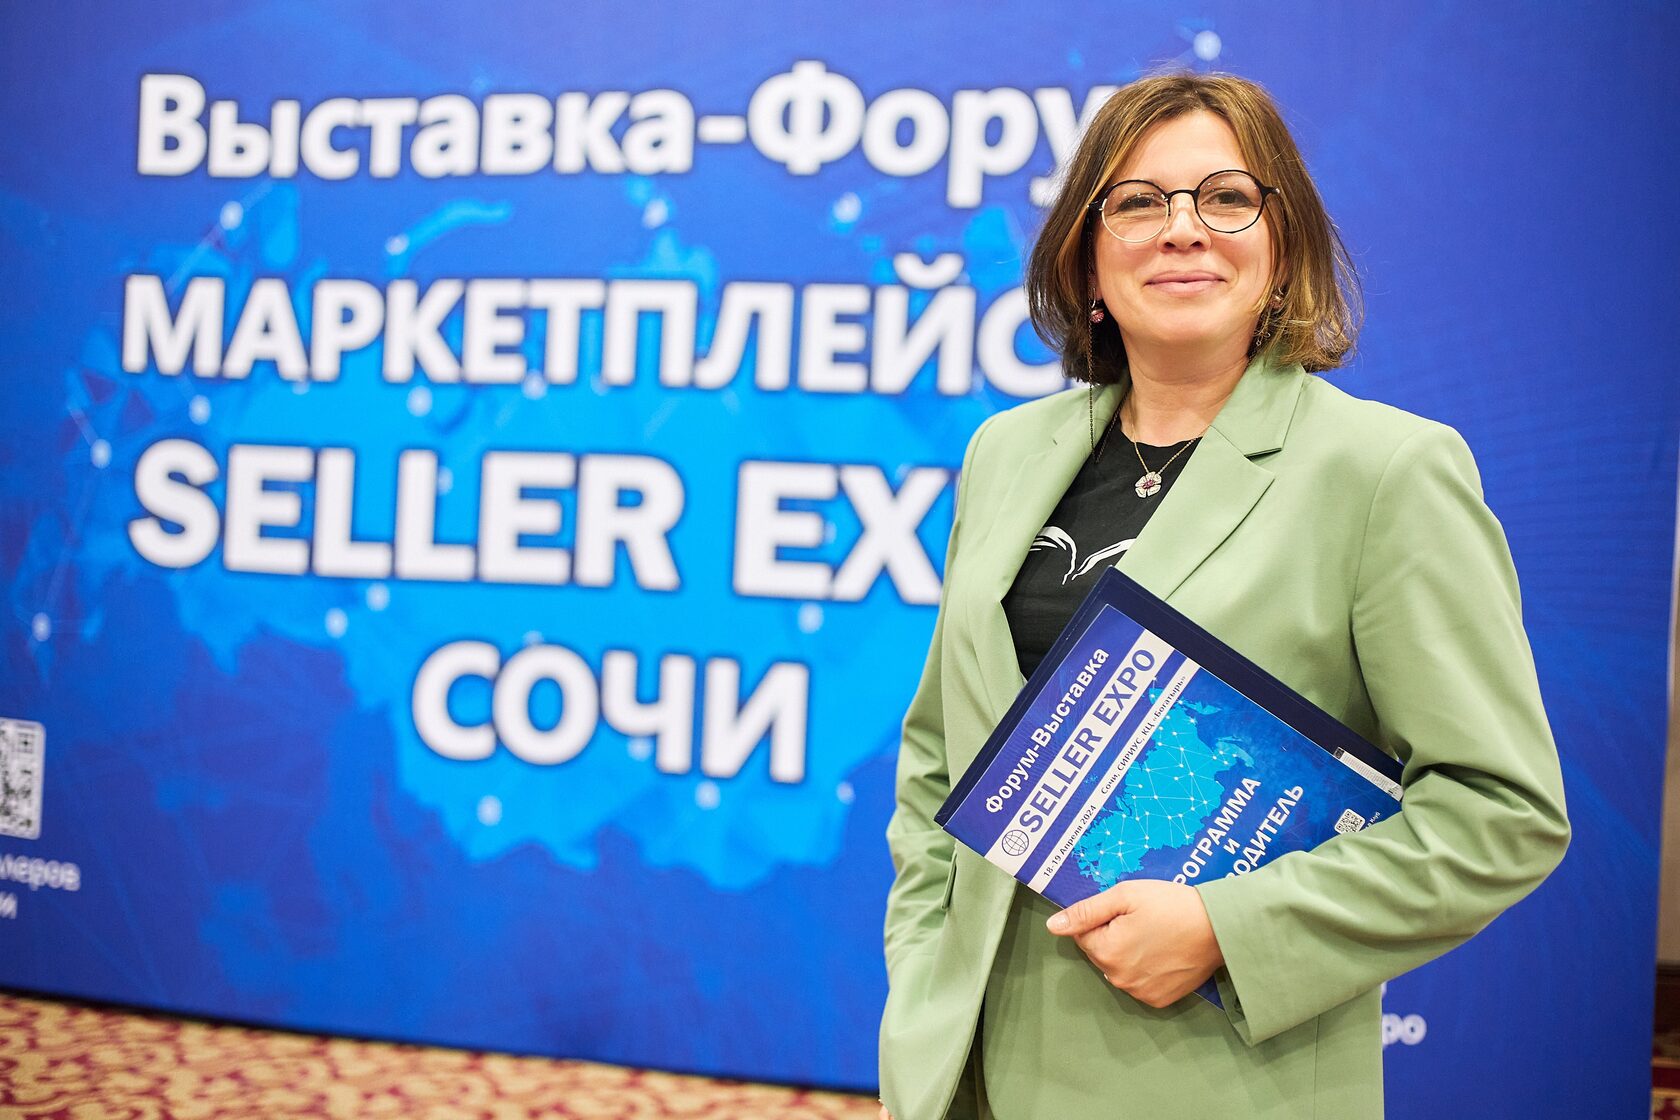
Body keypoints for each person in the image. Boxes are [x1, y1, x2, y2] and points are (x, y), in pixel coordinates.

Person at [876, 72, 1570, 1120]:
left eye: (1227, 197)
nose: (1182, 228)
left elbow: (1501, 814)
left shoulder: (1387, 471)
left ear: (1282, 247)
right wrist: (920, 995)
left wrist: (1230, 931)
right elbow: (941, 757)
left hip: (1213, 1078)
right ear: (1086, 257)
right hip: (966, 1068)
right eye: (1137, 201)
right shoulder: (1005, 453)